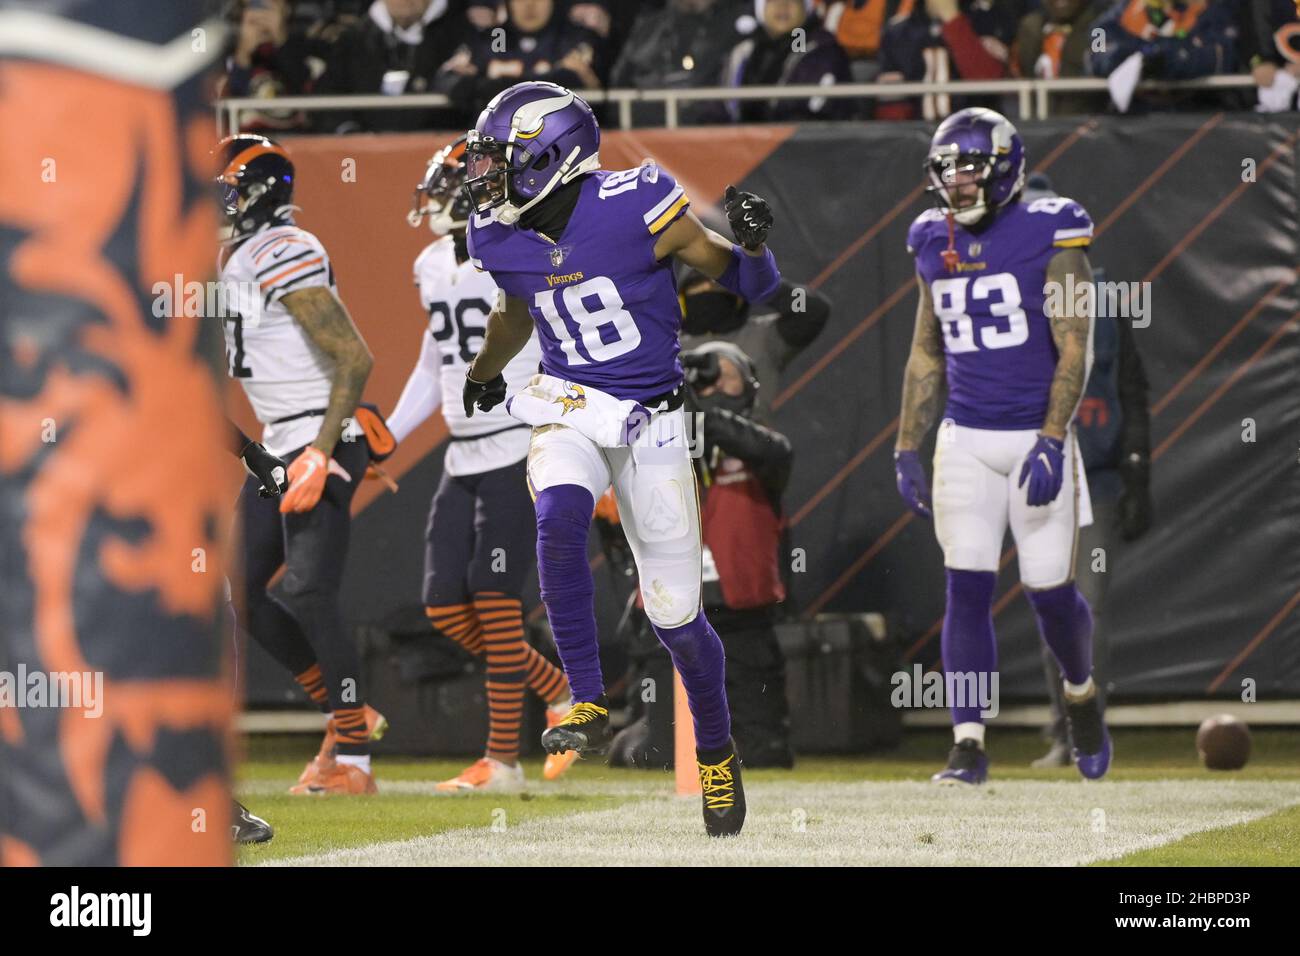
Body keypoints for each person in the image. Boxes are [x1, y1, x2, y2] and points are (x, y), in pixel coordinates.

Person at [459, 80, 781, 836]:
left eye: (500, 162)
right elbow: (514, 311)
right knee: (559, 517)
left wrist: (757, 246)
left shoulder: (639, 203)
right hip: (569, 400)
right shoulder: (496, 235)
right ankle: (587, 695)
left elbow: (748, 286)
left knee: (676, 617)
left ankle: (716, 747)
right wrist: (482, 373)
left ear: (550, 159)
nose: (486, 178)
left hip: (653, 418)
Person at [892, 107, 1110, 786]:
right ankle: (967, 744)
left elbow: (1076, 342)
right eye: (948, 170)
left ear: (1007, 166)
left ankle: (1081, 694)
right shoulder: (932, 238)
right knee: (965, 584)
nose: (956, 183)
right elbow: (926, 350)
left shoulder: (1052, 229)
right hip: (964, 436)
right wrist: (906, 444)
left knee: (1049, 593)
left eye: (970, 168)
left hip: (1034, 437)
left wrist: (1052, 438)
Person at [388, 138, 576, 792]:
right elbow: (433, 358)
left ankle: (501, 763)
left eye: (445, 185)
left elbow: (559, 340)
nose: (433, 198)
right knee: (444, 608)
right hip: (462, 453)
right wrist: (387, 433)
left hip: (518, 441)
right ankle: (558, 691)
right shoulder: (431, 263)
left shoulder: (521, 250)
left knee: (496, 603)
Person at [216, 133, 388, 796]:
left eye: (227, 193)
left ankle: (355, 759)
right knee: (243, 587)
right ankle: (350, 719)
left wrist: (322, 450)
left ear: (258, 195)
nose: (218, 207)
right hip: (281, 441)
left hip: (324, 435)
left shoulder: (281, 248)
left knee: (310, 590)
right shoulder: (237, 259)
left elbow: (354, 358)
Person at [1022, 174, 1153, 768]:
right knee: (1054, 603)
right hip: (1038, 472)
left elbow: (1130, 385)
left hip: (1092, 473)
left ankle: (1085, 728)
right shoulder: (1006, 291)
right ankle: (1065, 729)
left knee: (1086, 608)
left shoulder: (1099, 299)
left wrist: (1135, 466)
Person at [678, 269, 831, 421]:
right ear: (681, 298)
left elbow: (813, 309)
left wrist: (757, 282)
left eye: (717, 285)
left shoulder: (764, 336)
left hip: (749, 437)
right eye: (697, 285)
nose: (708, 288)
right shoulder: (666, 345)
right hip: (683, 440)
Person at [437, 0, 604, 125]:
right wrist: (473, 87)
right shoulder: (495, 37)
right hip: (494, 139)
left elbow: (575, 79)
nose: (529, 5)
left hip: (558, 136)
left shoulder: (573, 37)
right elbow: (447, 77)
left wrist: (496, 88)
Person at [315, 0, 464, 132]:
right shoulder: (354, 39)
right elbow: (329, 91)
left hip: (436, 145)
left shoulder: (457, 36)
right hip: (363, 147)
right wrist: (349, 131)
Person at [876, 0, 1018, 121]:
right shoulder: (897, 32)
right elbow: (892, 111)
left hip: (979, 134)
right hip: (914, 142)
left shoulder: (991, 19)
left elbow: (989, 82)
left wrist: (953, 19)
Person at [609, 0, 744, 127]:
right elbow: (620, 82)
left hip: (709, 130)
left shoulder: (738, 25)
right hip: (645, 131)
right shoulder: (648, 28)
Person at [720, 0, 852, 122]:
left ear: (805, 6)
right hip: (742, 141)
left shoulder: (821, 50)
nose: (782, 6)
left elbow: (813, 117)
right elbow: (719, 107)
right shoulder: (745, 50)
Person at [1013, 0, 1107, 115]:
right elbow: (1025, 72)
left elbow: (1102, 66)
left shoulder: (1100, 29)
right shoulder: (1031, 27)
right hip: (1038, 122)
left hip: (1087, 119)